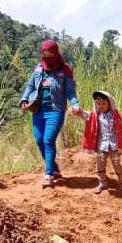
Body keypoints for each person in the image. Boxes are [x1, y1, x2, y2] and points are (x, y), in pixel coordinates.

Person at [20, 39, 81, 188]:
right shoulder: (39, 69)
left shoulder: (64, 70)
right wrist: (24, 98)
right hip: (38, 111)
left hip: (56, 111)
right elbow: (29, 86)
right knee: (40, 140)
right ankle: (54, 169)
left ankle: (48, 175)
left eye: (49, 55)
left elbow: (70, 91)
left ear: (55, 53)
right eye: (44, 54)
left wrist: (75, 103)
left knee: (48, 140)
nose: (46, 58)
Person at [77, 90, 122, 195]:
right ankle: (102, 183)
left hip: (114, 145)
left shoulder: (116, 115)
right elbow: (85, 115)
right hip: (101, 145)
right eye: (99, 104)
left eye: (104, 103)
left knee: (116, 164)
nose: (101, 106)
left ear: (109, 103)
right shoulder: (96, 115)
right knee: (100, 164)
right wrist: (78, 112)